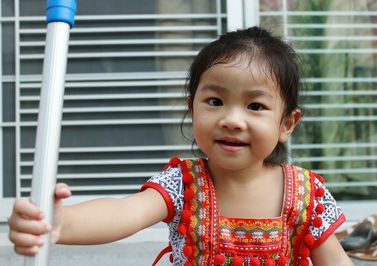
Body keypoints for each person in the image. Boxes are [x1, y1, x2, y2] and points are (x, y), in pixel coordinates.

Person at [8, 27, 354, 266]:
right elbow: (126, 212)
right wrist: (58, 223)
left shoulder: (307, 194)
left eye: (255, 106)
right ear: (193, 108)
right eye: (215, 101)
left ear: (286, 124)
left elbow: (335, 260)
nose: (232, 119)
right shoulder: (183, 184)